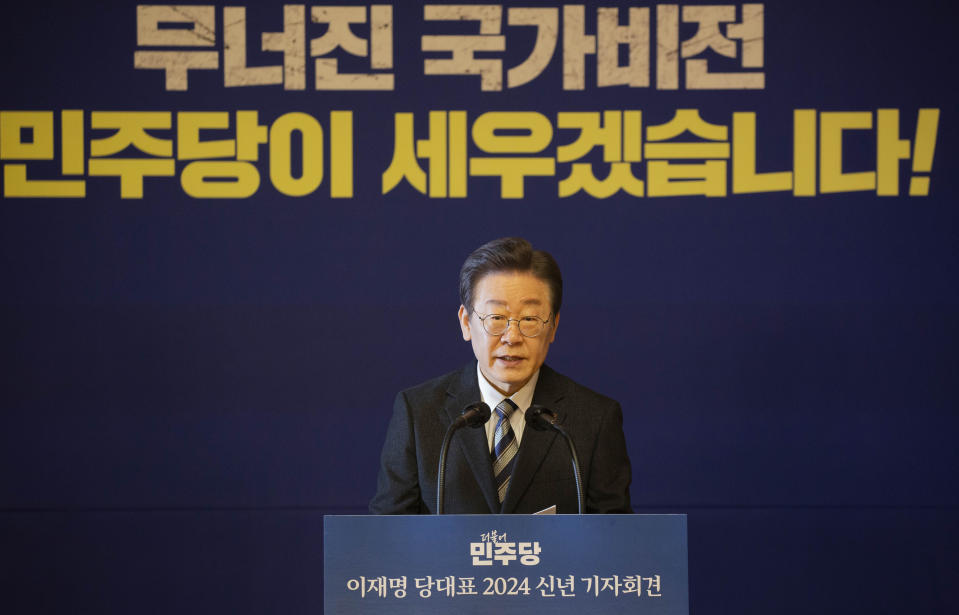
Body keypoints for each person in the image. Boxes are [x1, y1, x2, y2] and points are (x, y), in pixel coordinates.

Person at [369, 237, 632, 514]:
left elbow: (616, 542)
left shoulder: (594, 419)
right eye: (496, 318)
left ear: (553, 326)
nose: (512, 337)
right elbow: (387, 536)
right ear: (466, 323)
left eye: (530, 318)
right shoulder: (418, 413)